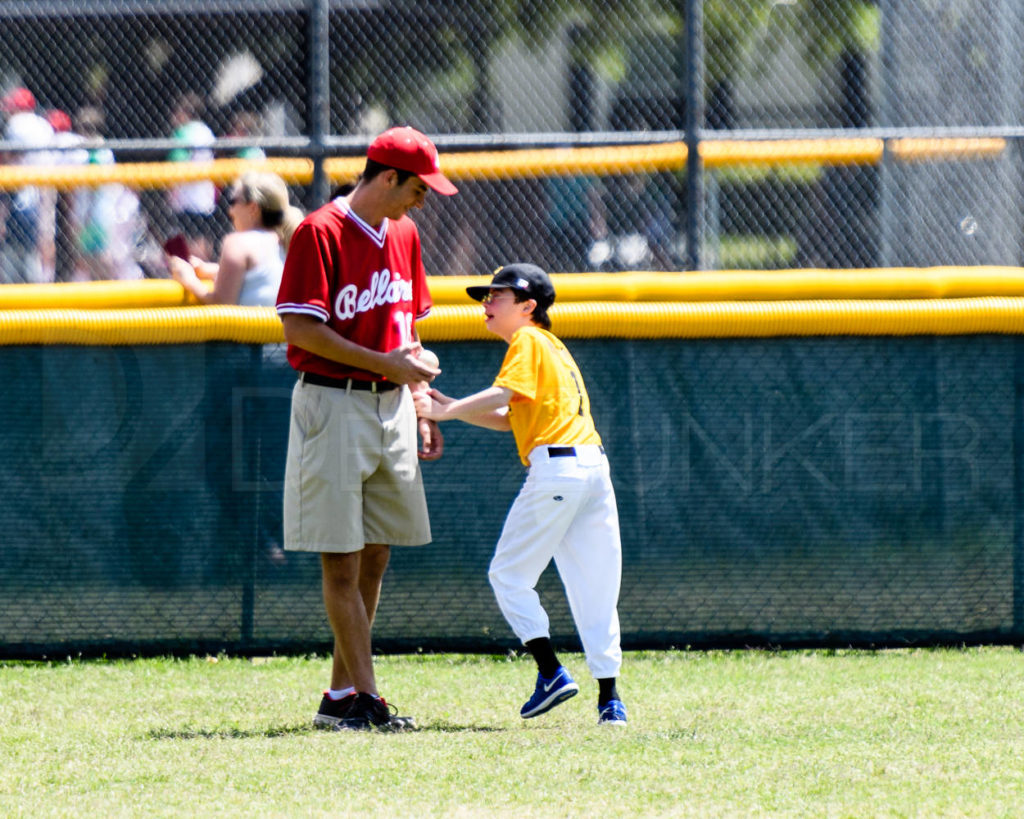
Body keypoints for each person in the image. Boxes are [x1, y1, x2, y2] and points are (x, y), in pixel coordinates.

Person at [275, 126, 458, 731]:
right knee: (341, 561)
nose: (422, 201)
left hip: (392, 406)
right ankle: (369, 701)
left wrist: (420, 394)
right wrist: (391, 367)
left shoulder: (404, 233)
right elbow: (300, 331)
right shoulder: (318, 231)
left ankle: (340, 697)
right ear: (387, 177)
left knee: (376, 555)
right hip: (333, 404)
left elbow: (408, 327)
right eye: (418, 188)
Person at [414, 262, 627, 726]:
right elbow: (509, 416)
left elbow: (501, 394)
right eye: (485, 296)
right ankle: (610, 700)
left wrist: (443, 414)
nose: (486, 304)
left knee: (508, 576)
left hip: (559, 472)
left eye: (498, 296)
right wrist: (448, 406)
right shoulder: (552, 346)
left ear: (528, 306)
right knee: (596, 584)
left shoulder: (527, 340)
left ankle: (550, 671)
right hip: (592, 468)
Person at [168, 171, 301, 305]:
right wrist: (214, 271)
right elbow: (259, 281)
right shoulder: (285, 240)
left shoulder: (238, 243)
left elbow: (222, 305)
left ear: (253, 208)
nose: (230, 210)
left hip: (251, 326)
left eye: (233, 201)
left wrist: (188, 279)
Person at [0, 87, 54, 284]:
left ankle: (16, 297)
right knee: (42, 243)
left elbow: (9, 156)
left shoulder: (17, 123)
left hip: (22, 195)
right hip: (46, 189)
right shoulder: (44, 124)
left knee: (15, 250)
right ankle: (43, 293)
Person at [167, 91, 218, 260]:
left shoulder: (183, 132)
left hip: (186, 199)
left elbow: (176, 166)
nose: (174, 116)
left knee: (189, 244)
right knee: (203, 239)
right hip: (205, 197)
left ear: (186, 112)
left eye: (177, 111)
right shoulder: (207, 131)